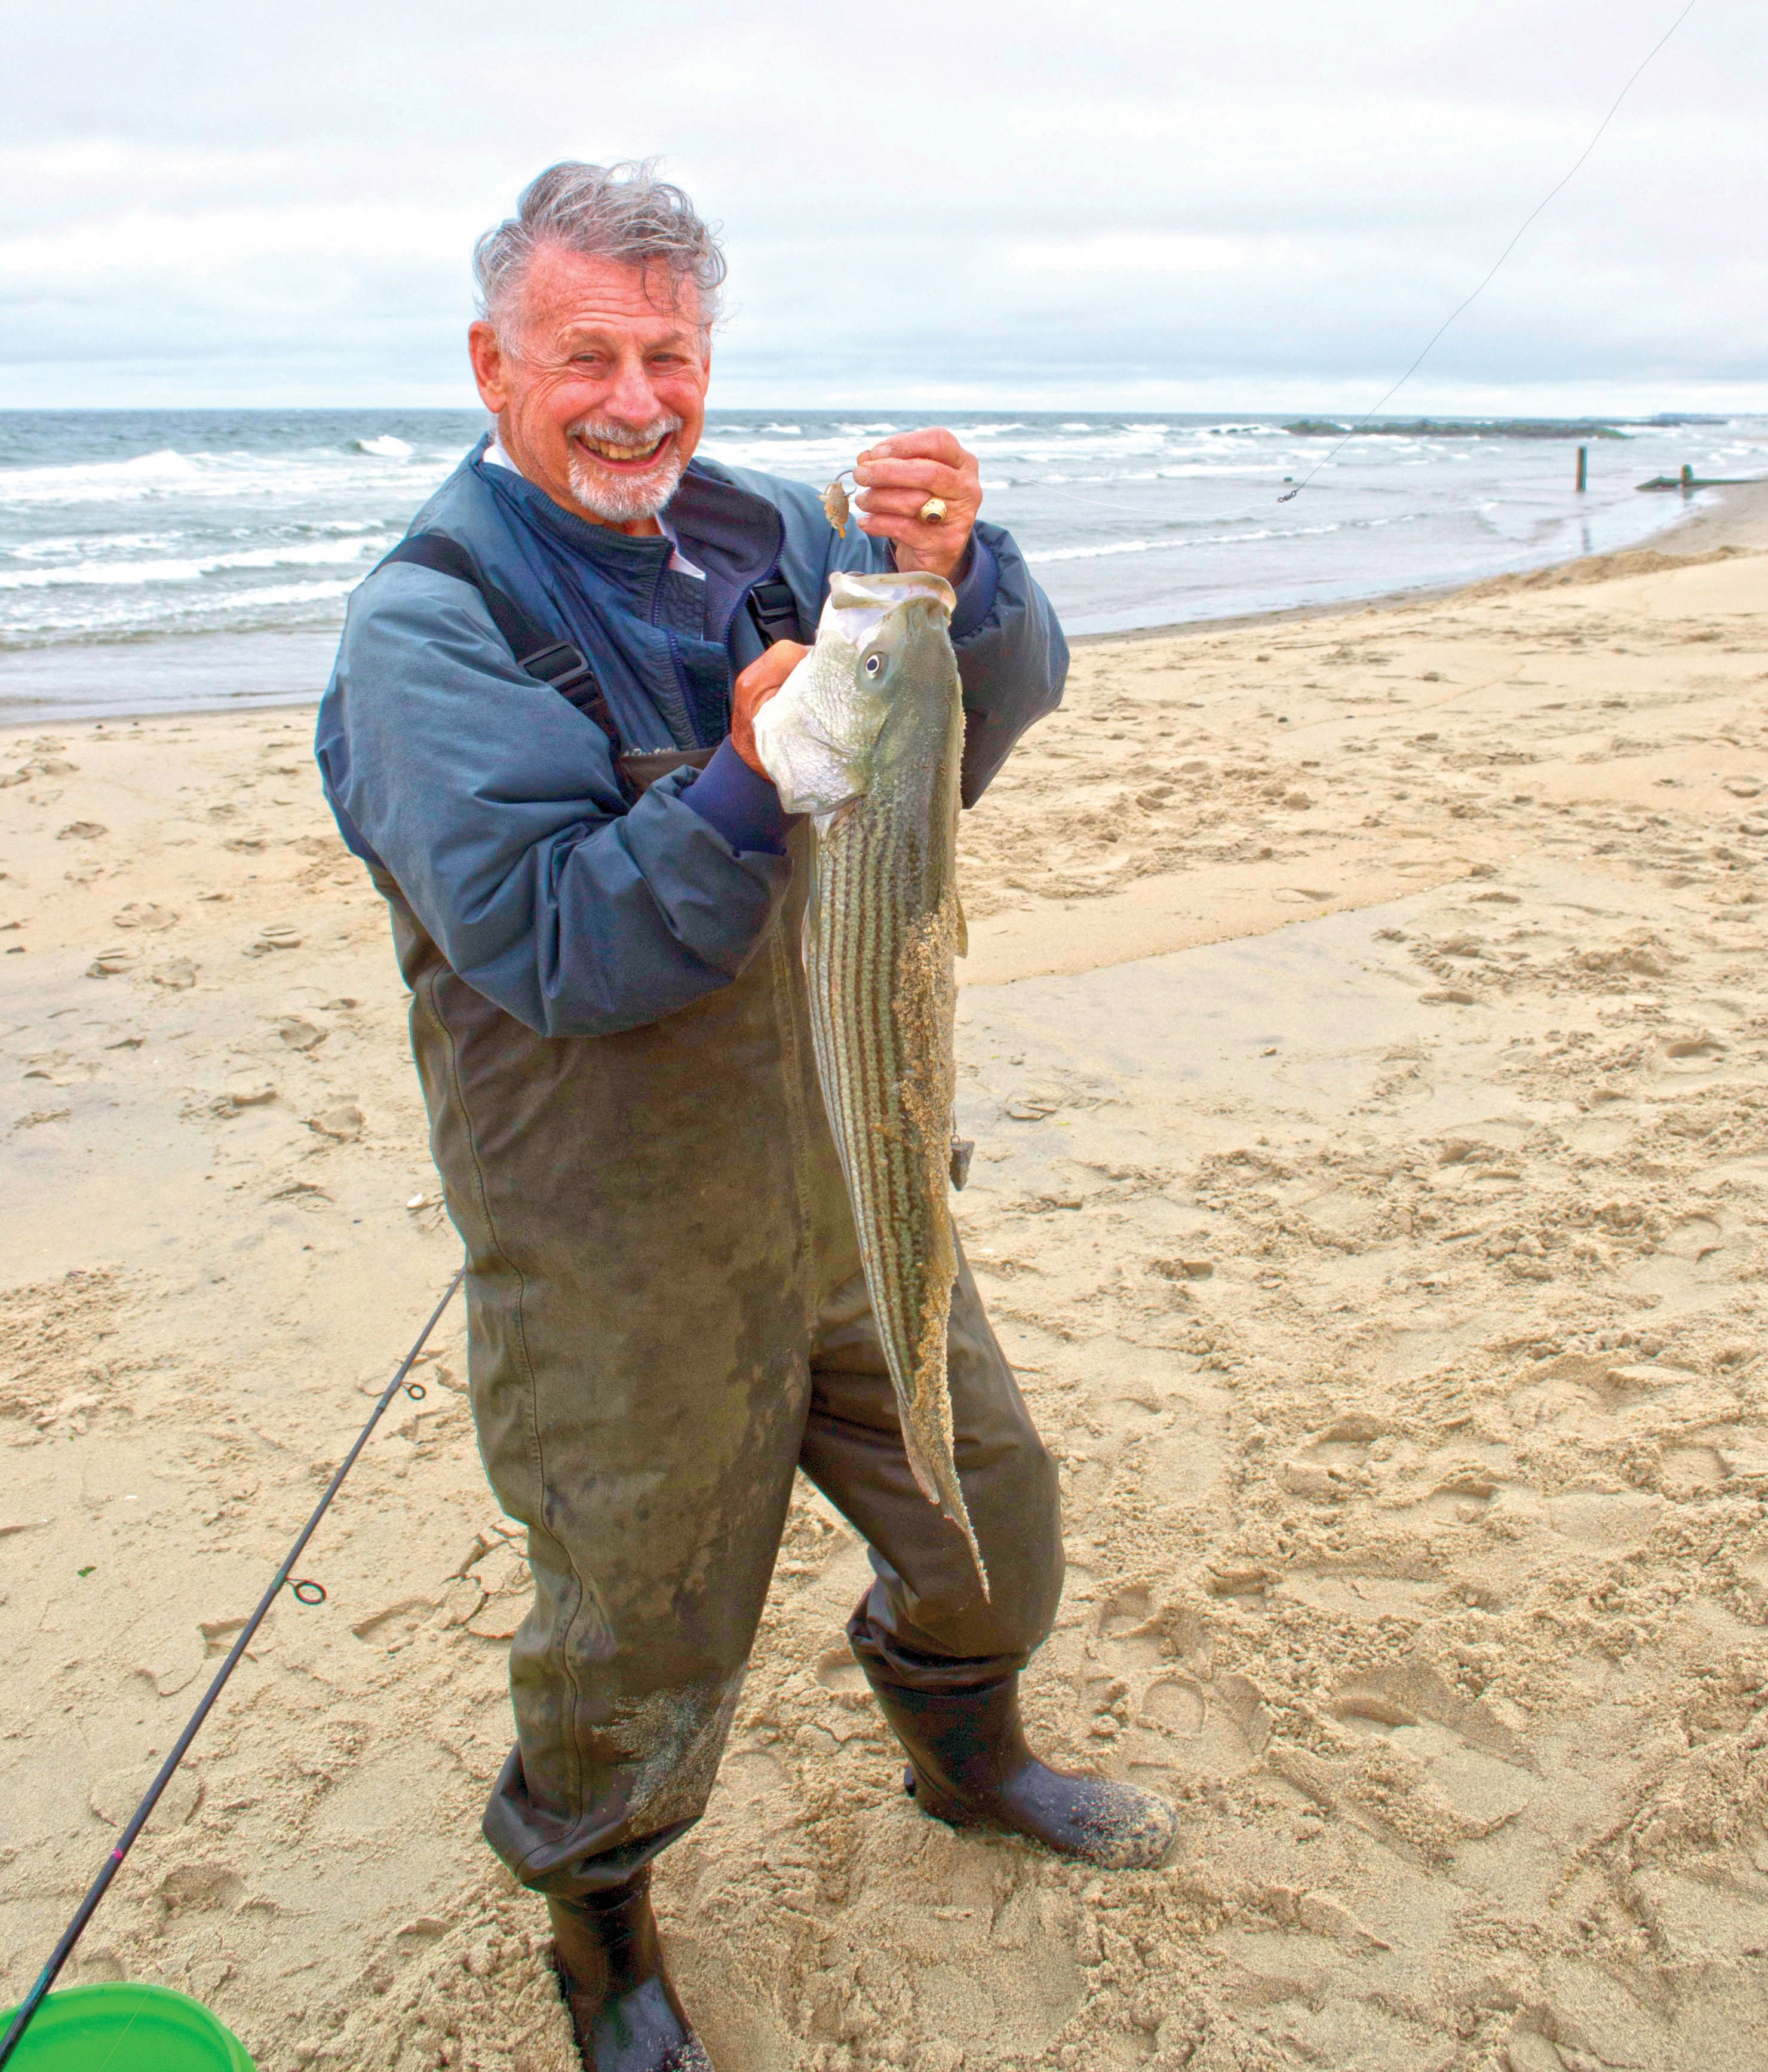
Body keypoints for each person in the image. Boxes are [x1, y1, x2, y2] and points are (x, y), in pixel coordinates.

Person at [317, 160, 1174, 2072]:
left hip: (855, 1196)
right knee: (632, 1640)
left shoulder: (777, 531)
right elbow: (552, 947)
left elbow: (968, 730)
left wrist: (963, 581)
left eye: (671, 353)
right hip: (617, 1250)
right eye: (587, 355)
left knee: (996, 1521)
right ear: (491, 362)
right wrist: (737, 783)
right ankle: (606, 1940)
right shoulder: (427, 629)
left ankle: (970, 1763)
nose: (637, 399)